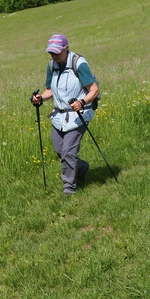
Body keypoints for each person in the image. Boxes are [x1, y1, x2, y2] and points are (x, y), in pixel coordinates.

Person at [30, 34, 99, 196]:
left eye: (56, 53)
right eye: (51, 53)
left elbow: (94, 90)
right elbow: (50, 90)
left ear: (66, 48)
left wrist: (82, 102)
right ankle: (81, 168)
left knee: (68, 152)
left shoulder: (78, 64)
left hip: (79, 115)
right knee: (60, 149)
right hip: (59, 117)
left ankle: (69, 188)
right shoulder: (52, 66)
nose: (54, 56)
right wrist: (40, 98)